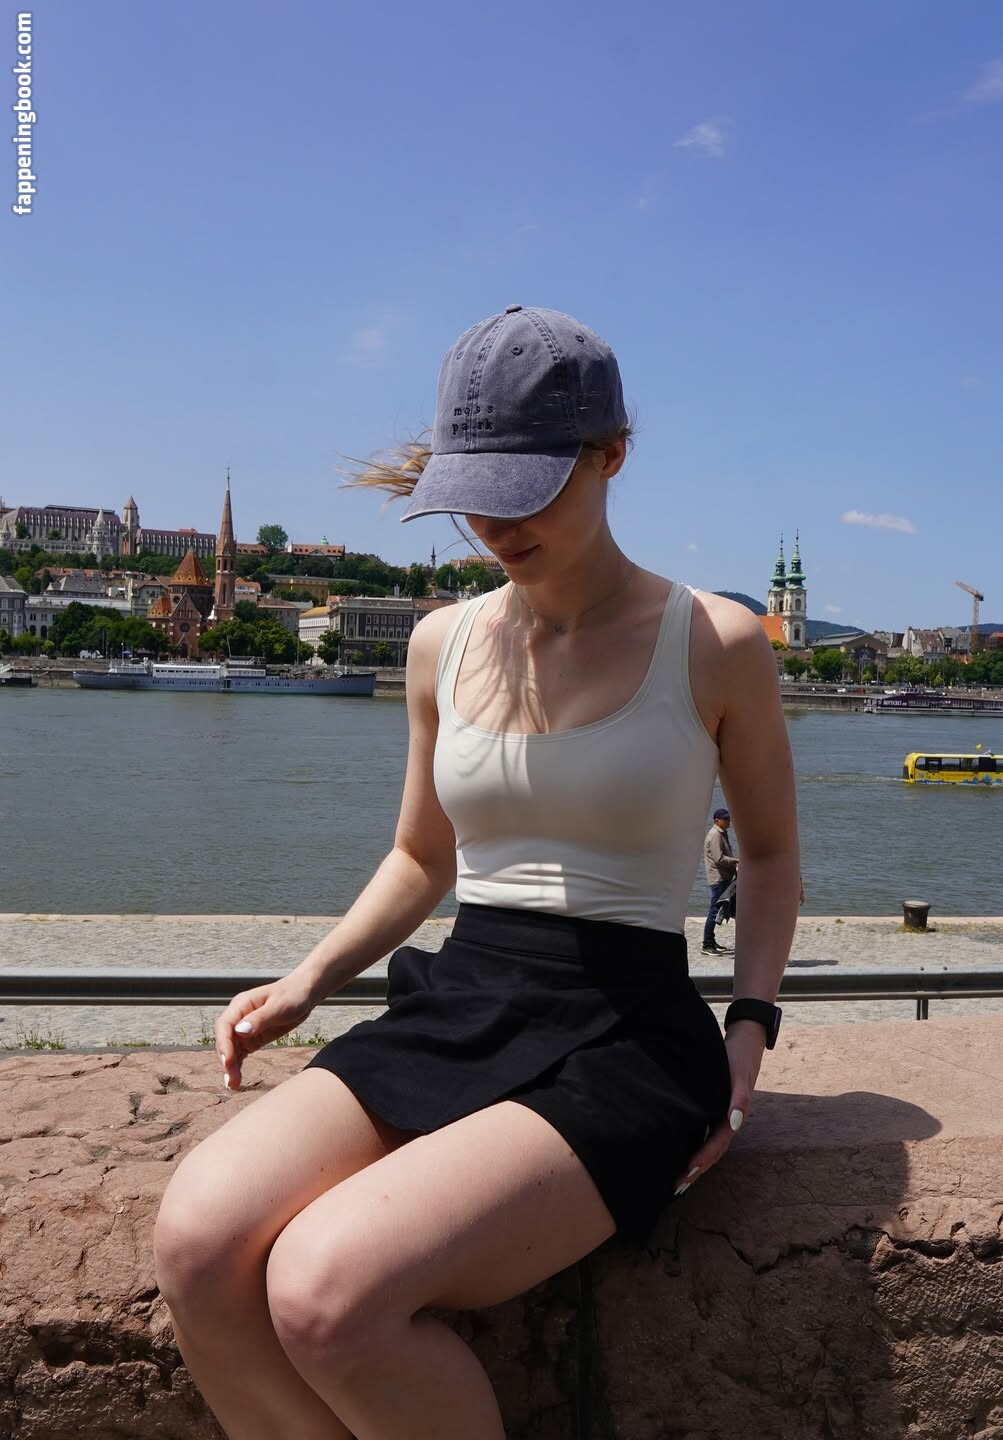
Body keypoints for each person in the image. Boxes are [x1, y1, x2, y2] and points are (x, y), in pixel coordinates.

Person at [153, 304, 801, 1440]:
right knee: (197, 1241)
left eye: (527, 488)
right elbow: (423, 856)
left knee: (326, 1293)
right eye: (474, 492)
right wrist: (308, 980)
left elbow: (774, 852)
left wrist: (749, 1031)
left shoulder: (716, 641)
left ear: (612, 456)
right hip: (465, 997)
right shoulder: (438, 644)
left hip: (630, 1032)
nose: (494, 524)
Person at [702, 806, 738, 952]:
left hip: (723, 877)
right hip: (718, 878)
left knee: (718, 909)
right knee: (714, 910)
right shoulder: (715, 835)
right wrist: (737, 861)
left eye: (729, 818)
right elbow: (719, 858)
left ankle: (711, 940)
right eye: (726, 819)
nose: (729, 821)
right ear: (717, 820)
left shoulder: (722, 833)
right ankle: (707, 944)